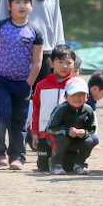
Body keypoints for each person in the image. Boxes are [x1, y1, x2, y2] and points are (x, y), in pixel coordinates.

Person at [0, 0, 43, 170]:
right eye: (17, 2)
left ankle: (18, 156)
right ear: (9, 6)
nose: (22, 6)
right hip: (1, 80)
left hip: (23, 83)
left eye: (26, 2)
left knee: (19, 120)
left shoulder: (35, 32)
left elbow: (37, 62)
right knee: (3, 115)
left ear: (31, 6)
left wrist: (28, 83)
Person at [31, 44, 76, 172]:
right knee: (43, 168)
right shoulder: (41, 85)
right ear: (51, 63)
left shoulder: (76, 85)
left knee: (68, 167)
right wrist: (35, 132)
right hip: (45, 133)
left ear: (74, 64)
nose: (64, 66)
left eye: (68, 63)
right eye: (60, 62)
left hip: (67, 134)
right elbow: (36, 110)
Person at [46, 77, 98, 175]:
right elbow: (49, 129)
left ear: (87, 97)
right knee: (62, 140)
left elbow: (92, 128)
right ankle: (55, 164)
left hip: (78, 139)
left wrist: (84, 133)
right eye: (73, 94)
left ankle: (79, 164)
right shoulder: (60, 109)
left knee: (92, 140)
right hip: (60, 139)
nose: (77, 98)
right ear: (65, 96)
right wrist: (67, 131)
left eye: (81, 95)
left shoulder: (88, 110)